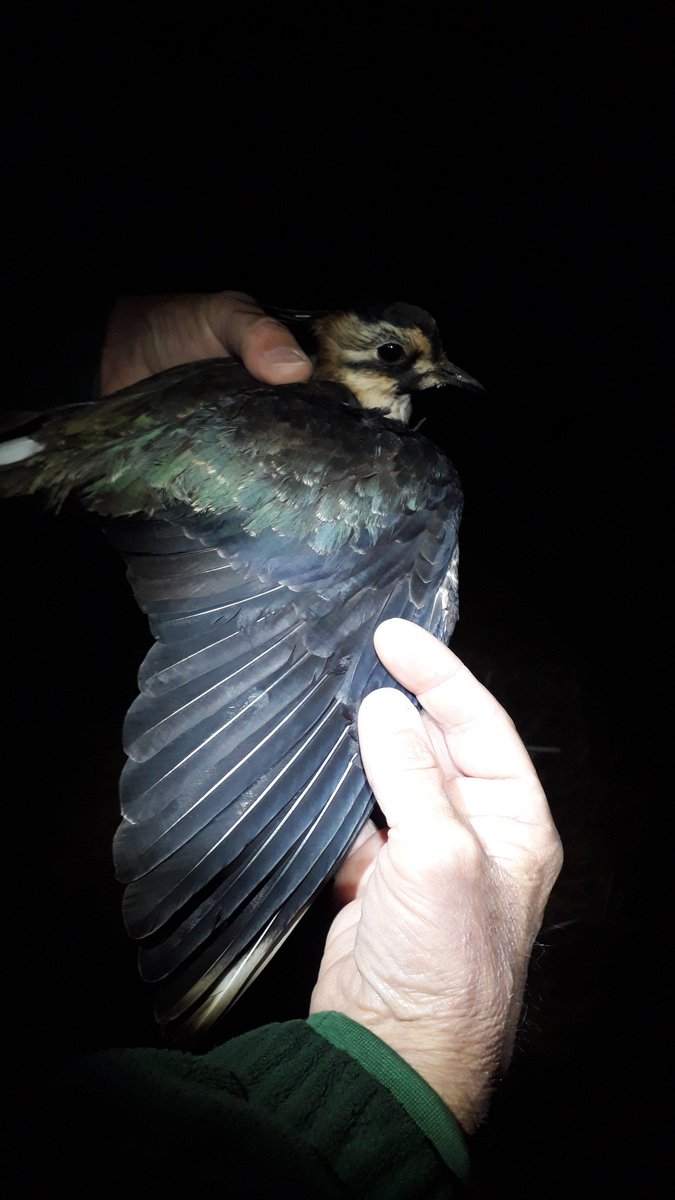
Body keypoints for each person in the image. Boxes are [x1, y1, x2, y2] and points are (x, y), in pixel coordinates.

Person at [6, 291, 563, 1197]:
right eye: (396, 356)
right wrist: (412, 1047)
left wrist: (87, 353)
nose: (421, 375)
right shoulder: (375, 464)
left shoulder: (331, 438)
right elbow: (313, 661)